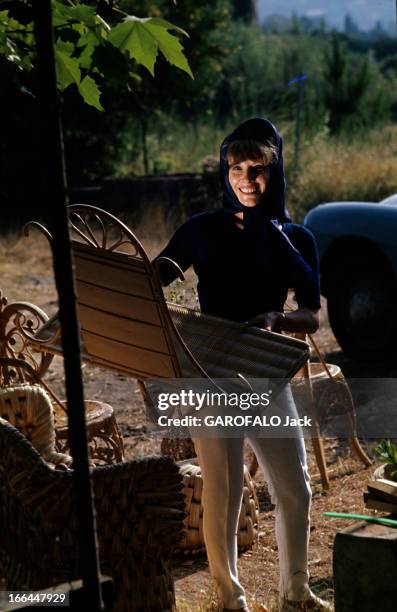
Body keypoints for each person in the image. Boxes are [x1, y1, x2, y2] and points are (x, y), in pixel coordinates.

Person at [155, 118, 332, 612]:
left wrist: (280, 316)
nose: (247, 180)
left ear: (275, 172)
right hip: (209, 374)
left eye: (258, 169)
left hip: (264, 373)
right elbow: (156, 279)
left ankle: (295, 591)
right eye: (237, 168)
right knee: (224, 488)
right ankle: (229, 596)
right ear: (224, 170)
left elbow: (311, 315)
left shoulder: (295, 237)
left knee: (295, 487)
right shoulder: (201, 230)